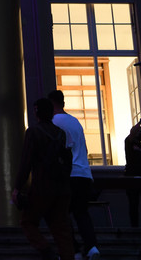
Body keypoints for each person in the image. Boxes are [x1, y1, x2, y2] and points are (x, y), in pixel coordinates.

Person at [12, 98, 74, 260]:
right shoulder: (61, 134)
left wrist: (18, 187)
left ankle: (47, 251)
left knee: (28, 222)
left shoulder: (33, 132)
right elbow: (68, 161)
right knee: (61, 229)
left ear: (36, 112)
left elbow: (26, 162)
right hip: (62, 188)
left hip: (42, 187)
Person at [49, 90, 100, 260]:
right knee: (81, 212)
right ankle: (92, 247)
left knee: (61, 213)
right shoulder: (76, 122)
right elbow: (84, 149)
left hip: (67, 174)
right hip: (83, 173)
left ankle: (74, 249)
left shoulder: (53, 122)